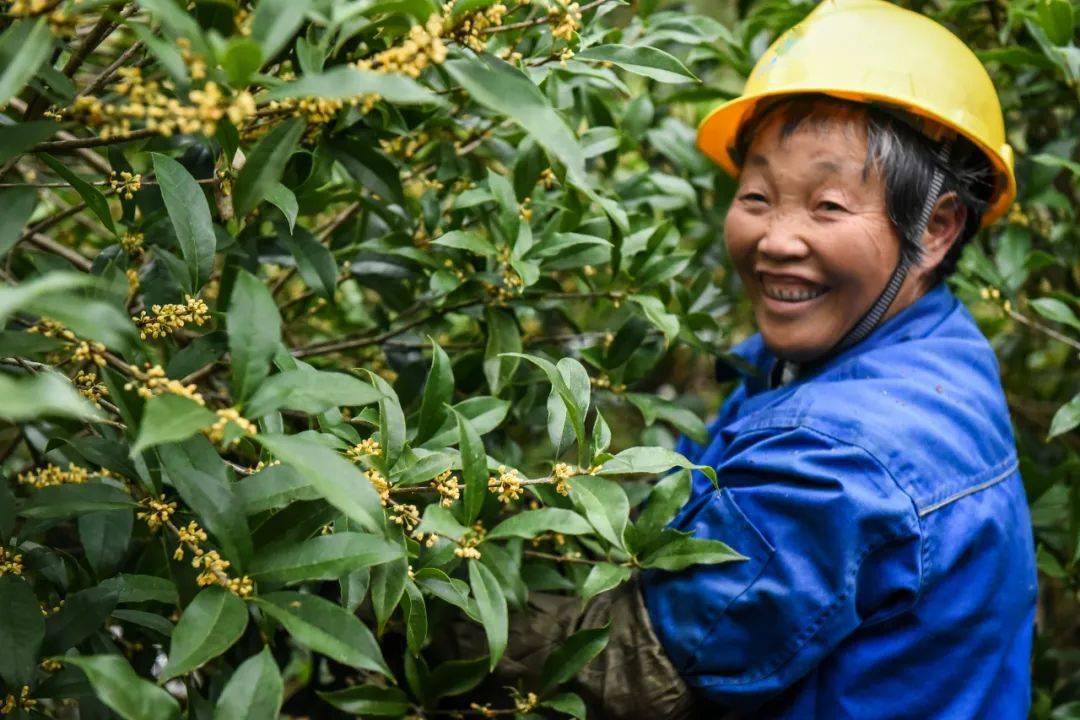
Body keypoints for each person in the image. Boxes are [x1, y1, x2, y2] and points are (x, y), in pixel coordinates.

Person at [454, 1, 1037, 718]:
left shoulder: (838, 460)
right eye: (757, 196)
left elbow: (628, 667)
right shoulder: (927, 345)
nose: (777, 239)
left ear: (936, 226)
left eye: (826, 206)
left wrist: (402, 589)